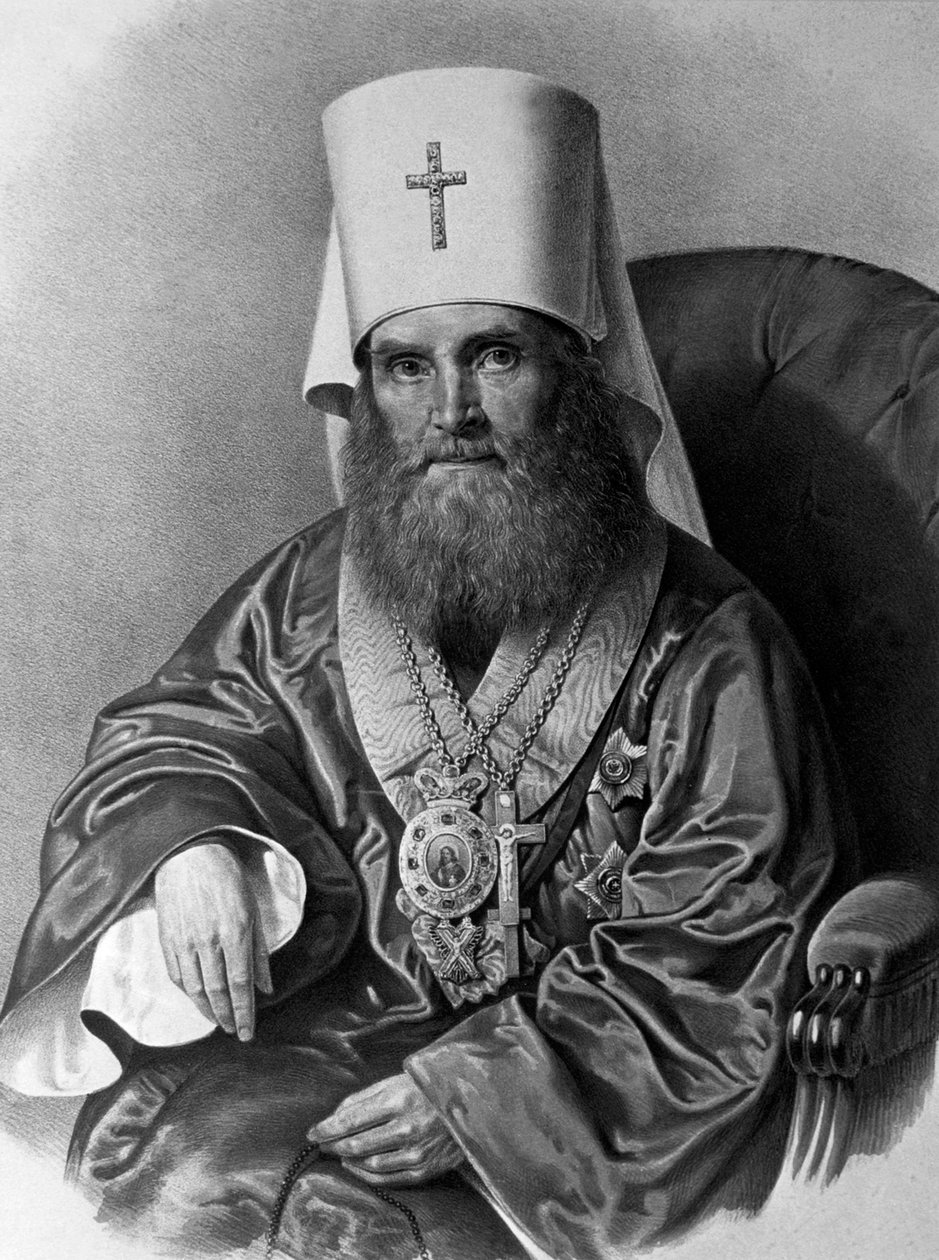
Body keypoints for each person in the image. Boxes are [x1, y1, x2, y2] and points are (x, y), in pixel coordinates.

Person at [0, 69, 855, 1260]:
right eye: (407, 365)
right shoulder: (309, 587)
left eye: (495, 355)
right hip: (332, 1038)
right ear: (366, 389)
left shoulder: (711, 642)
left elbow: (717, 954)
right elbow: (181, 734)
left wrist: (475, 1096)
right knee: (158, 1168)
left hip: (561, 1116)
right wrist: (191, 847)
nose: (452, 408)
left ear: (576, 377)